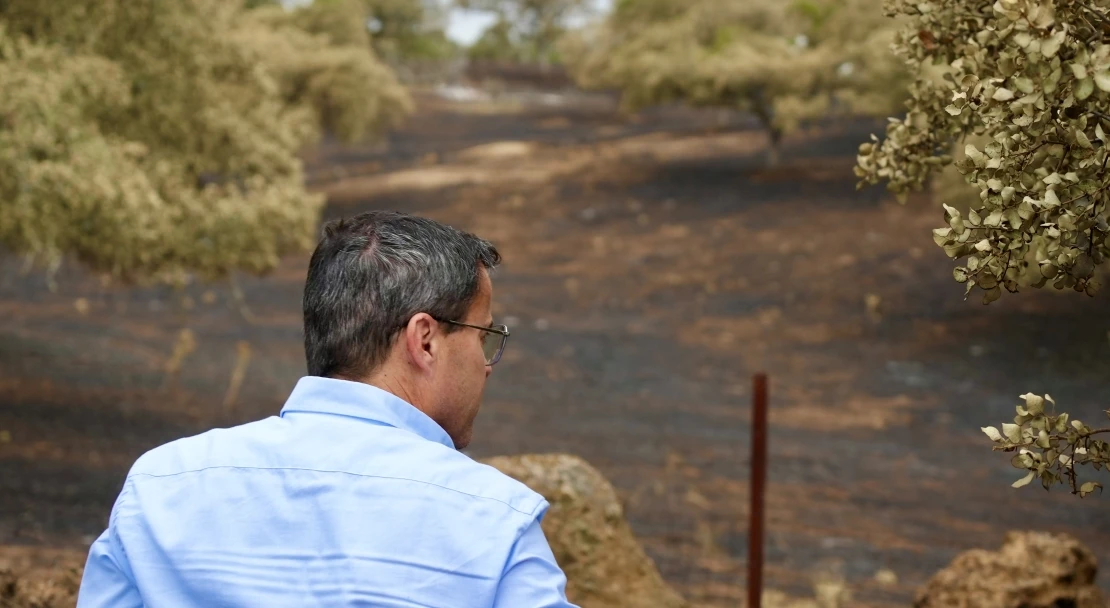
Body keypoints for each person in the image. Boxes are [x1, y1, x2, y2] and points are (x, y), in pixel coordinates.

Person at [76, 211, 577, 607]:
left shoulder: (161, 485)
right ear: (424, 340)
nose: (487, 365)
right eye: (485, 335)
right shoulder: (495, 521)